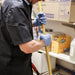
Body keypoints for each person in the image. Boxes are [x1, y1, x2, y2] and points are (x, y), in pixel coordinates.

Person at [0, 0, 51, 75]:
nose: (43, 0)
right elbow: (27, 47)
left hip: (13, 58)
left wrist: (33, 23)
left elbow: (13, 26)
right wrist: (43, 42)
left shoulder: (14, 2)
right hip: (13, 65)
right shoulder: (16, 7)